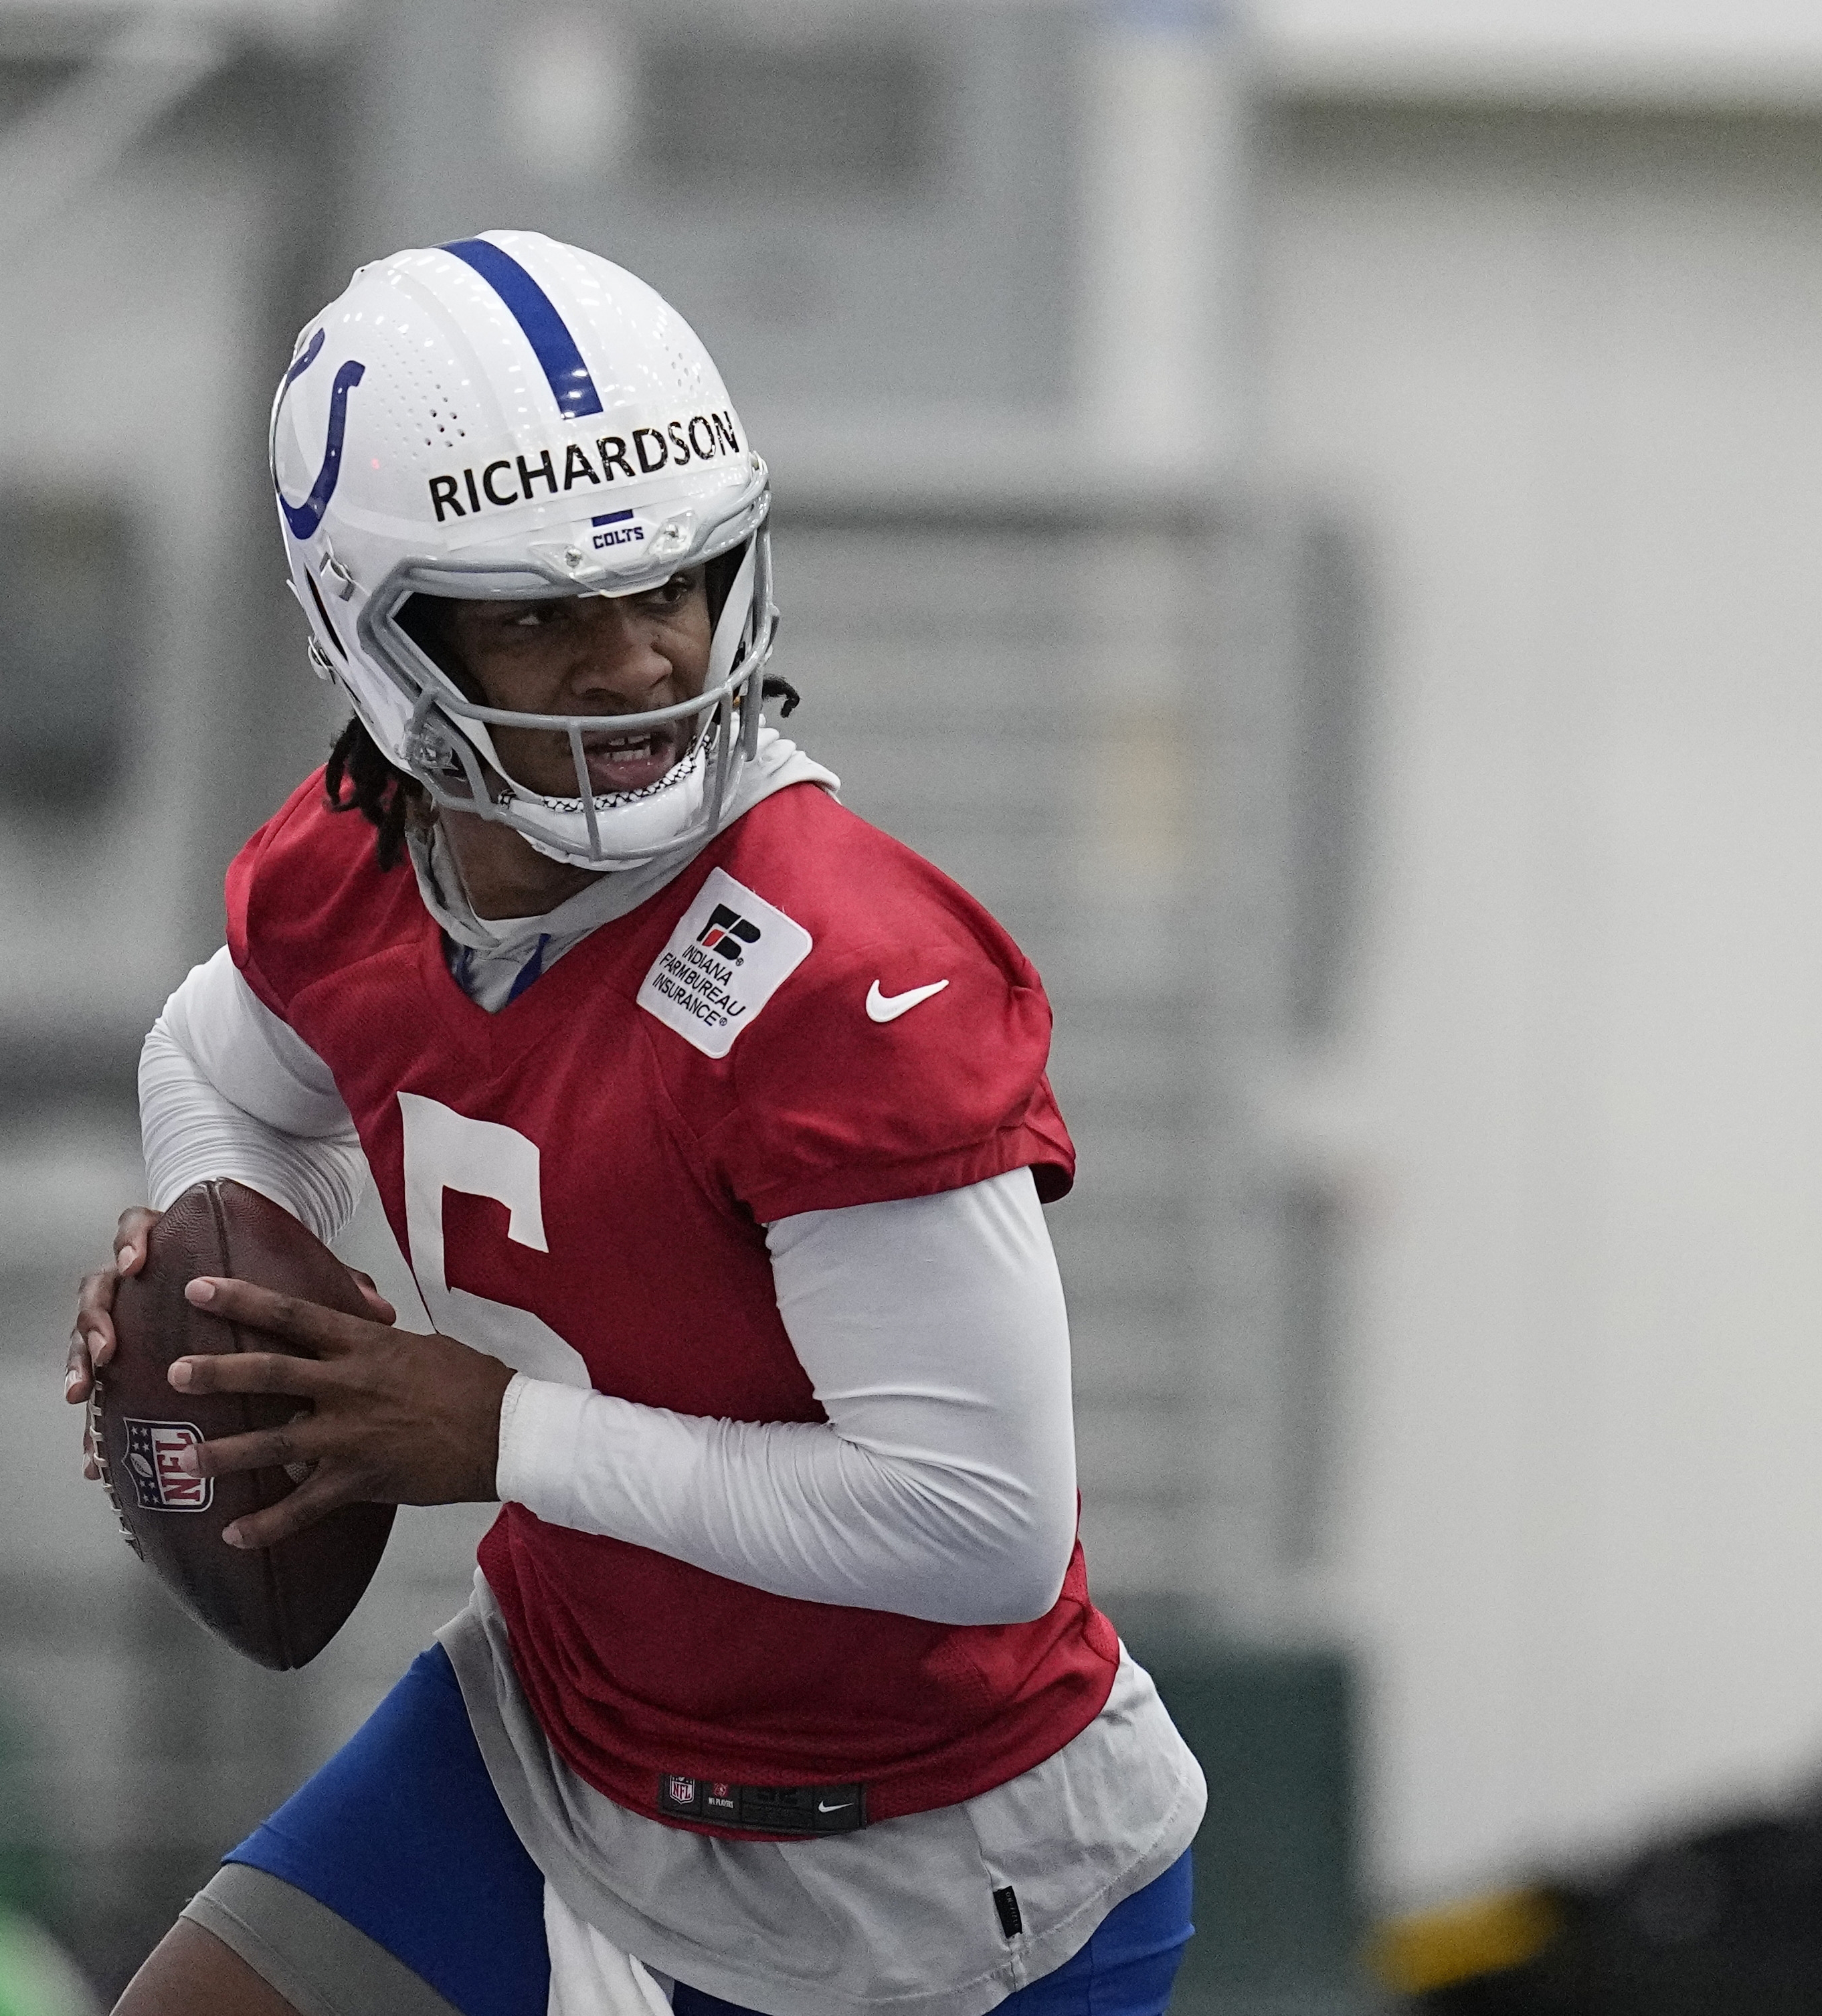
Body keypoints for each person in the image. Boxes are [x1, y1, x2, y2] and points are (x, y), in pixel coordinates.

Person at [63, 231, 1204, 2016]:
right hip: (563, 1744)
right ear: (368, 626)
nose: (633, 660)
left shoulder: (849, 982)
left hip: (934, 1862)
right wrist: (235, 1293)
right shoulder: (361, 868)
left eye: (670, 586)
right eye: (536, 611)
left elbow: (977, 1519)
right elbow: (213, 1064)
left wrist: (501, 1434)